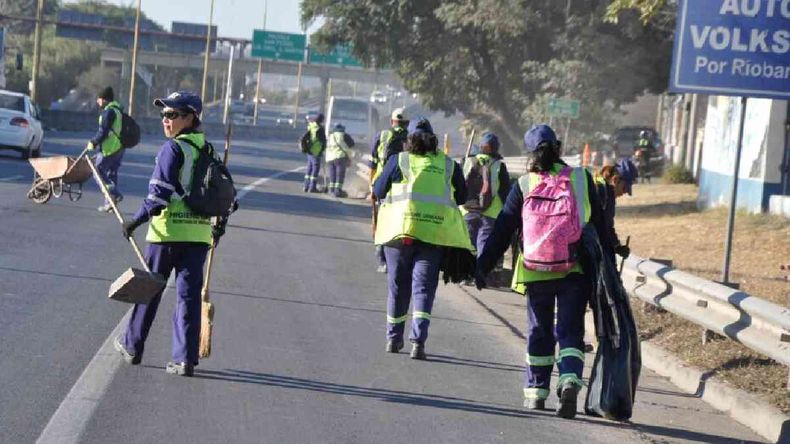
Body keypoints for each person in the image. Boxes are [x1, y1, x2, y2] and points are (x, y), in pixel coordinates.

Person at [476, 124, 608, 418]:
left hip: (536, 270)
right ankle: (570, 379)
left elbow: (502, 229)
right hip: (575, 268)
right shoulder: (582, 178)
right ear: (559, 148)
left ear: (530, 153)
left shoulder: (524, 184)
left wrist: (483, 266)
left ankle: (536, 393)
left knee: (540, 330)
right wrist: (610, 262)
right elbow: (600, 225)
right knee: (571, 330)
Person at [113, 91, 228, 377]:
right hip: (199, 237)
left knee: (148, 292)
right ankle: (184, 359)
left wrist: (134, 222)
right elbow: (226, 197)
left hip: (166, 234)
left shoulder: (173, 150)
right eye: (164, 114)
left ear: (190, 118)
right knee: (188, 298)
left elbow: (158, 198)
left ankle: (132, 346)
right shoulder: (209, 151)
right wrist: (218, 227)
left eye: (172, 114)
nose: (166, 120)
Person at [373, 117, 472, 360]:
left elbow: (378, 191)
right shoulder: (449, 165)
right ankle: (418, 342)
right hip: (432, 237)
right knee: (423, 291)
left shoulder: (399, 161)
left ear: (410, 140)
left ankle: (393, 338)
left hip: (399, 235)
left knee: (398, 287)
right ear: (434, 140)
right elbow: (461, 198)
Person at [370, 108, 409, 273]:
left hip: (382, 184)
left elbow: (372, 163)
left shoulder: (382, 135)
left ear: (392, 121)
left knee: (379, 220)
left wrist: (372, 186)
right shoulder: (414, 137)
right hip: (404, 186)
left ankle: (382, 259)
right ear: (407, 123)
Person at [461, 132, 510, 260]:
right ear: (496, 147)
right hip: (491, 214)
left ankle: (466, 276)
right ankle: (481, 274)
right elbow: (505, 192)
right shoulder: (499, 166)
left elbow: (459, 185)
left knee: (468, 244)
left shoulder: (469, 161)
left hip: (468, 210)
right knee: (484, 244)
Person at [88, 86, 125, 212]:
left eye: (99, 99)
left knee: (98, 171)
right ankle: (110, 204)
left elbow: (103, 132)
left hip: (109, 148)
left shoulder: (108, 112)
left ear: (104, 99)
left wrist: (93, 142)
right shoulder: (118, 110)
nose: (98, 101)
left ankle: (114, 193)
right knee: (111, 174)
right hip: (119, 148)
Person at [593, 160, 636, 265]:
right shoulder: (604, 193)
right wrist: (615, 247)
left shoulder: (595, 182)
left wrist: (617, 246)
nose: (624, 193)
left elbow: (606, 226)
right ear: (616, 180)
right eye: (625, 188)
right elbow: (603, 227)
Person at [325, 123, 355, 197]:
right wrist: (350, 157)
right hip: (340, 157)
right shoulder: (344, 135)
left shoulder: (330, 136)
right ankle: (338, 191)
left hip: (330, 158)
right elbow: (352, 144)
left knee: (332, 174)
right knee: (340, 175)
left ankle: (331, 189)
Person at [303, 113, 327, 193]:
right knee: (315, 169)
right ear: (322, 120)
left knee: (309, 169)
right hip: (316, 151)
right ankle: (312, 187)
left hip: (309, 150)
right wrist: (323, 149)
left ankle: (306, 186)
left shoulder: (312, 126)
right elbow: (323, 141)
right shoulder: (320, 129)